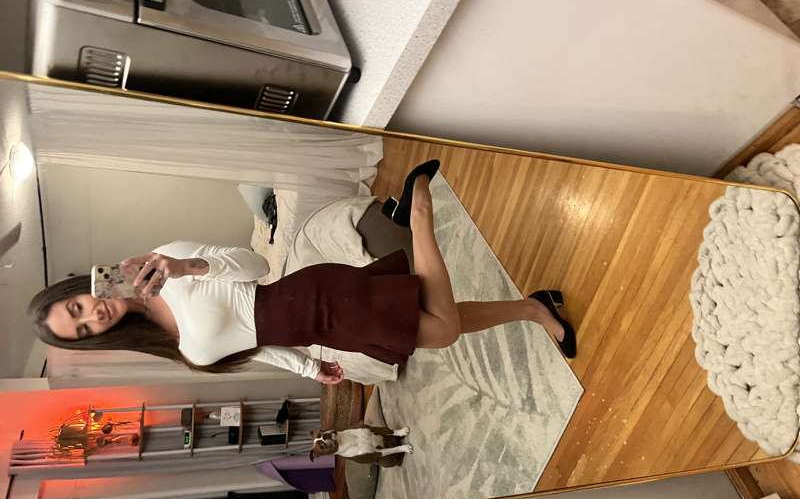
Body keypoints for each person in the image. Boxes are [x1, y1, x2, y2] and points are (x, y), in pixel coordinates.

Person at [30, 161, 576, 385]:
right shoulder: (171, 348)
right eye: (83, 329)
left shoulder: (166, 260)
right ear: (94, 340)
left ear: (81, 289)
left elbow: (255, 266)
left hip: (309, 294)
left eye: (78, 307)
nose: (93, 315)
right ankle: (532, 309)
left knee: (440, 331)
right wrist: (310, 369)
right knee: (429, 318)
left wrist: (188, 266)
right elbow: (254, 349)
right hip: (317, 331)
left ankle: (419, 216)